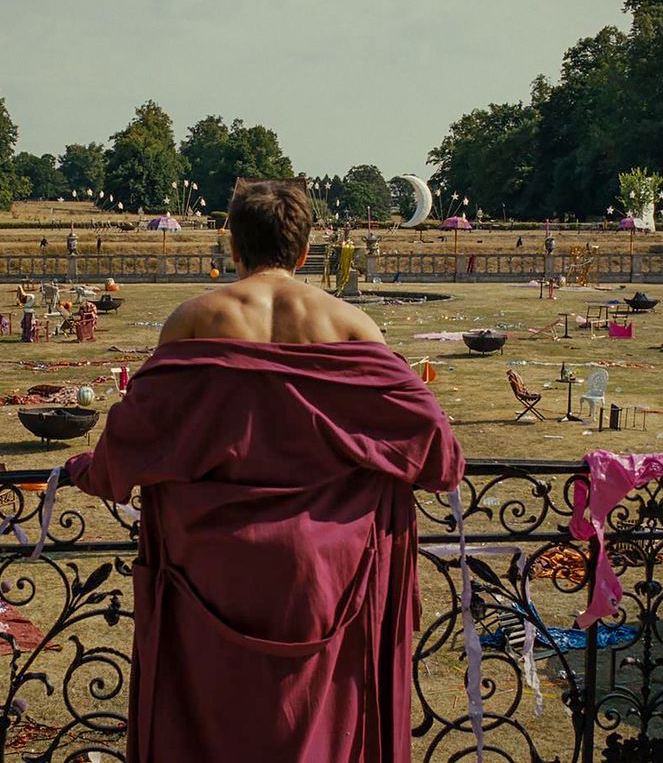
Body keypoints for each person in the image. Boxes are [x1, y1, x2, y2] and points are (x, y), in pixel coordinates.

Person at [65, 179, 465, 762]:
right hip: (330, 576)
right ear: (305, 251)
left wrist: (87, 470)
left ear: (232, 246)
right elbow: (436, 451)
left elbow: (134, 438)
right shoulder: (352, 327)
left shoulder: (195, 319)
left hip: (209, 567)